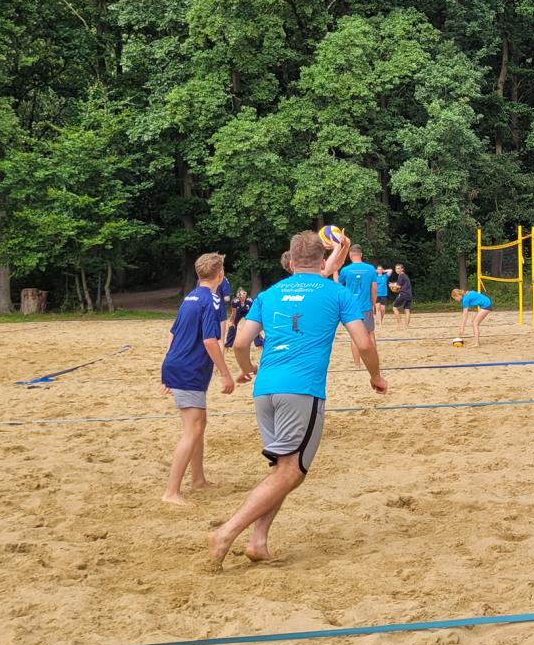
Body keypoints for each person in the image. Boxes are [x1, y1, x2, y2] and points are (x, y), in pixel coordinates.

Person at [210, 231, 385, 567]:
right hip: (302, 390)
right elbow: (364, 343)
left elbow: (242, 343)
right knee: (292, 472)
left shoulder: (270, 293)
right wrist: (375, 376)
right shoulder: (337, 292)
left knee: (282, 468)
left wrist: (246, 370)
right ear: (322, 261)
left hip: (265, 389)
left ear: (290, 261)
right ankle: (226, 532)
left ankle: (258, 540)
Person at [161, 252, 235, 505]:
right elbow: (210, 340)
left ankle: (198, 479)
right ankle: (171, 492)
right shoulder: (211, 301)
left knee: (197, 425)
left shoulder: (189, 297)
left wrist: (167, 370)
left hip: (178, 365)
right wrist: (225, 374)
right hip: (189, 369)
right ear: (220, 275)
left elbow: (172, 334)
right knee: (193, 429)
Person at [337, 245, 379, 366]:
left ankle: (357, 365)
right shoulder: (370, 269)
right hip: (366, 307)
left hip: (351, 308)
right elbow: (374, 289)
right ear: (361, 255)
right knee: (370, 334)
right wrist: (373, 304)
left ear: (350, 255)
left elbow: (338, 287)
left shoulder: (345, 270)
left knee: (354, 337)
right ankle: (372, 363)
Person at [391, 263, 413, 329]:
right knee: (407, 310)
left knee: (394, 307)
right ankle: (406, 326)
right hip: (409, 295)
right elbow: (401, 286)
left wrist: (392, 285)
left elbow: (398, 286)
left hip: (403, 294)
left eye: (398, 268)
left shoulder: (401, 275)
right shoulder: (405, 276)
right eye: (396, 268)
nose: (397, 270)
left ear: (402, 269)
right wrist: (394, 285)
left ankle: (399, 325)